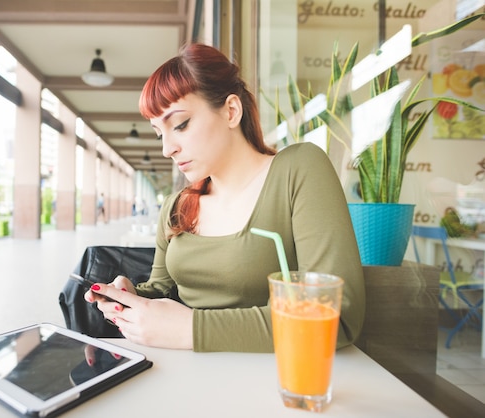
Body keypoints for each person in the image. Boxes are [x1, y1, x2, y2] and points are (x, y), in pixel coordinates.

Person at [85, 43, 365, 353]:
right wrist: (131, 298)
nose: (168, 148)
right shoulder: (176, 207)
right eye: (159, 133)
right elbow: (163, 291)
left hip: (274, 380)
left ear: (231, 111)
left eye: (180, 124)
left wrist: (192, 330)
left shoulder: (297, 170)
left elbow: (336, 317)